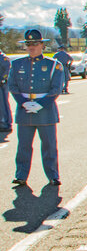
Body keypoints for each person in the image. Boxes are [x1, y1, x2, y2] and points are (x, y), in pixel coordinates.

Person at [9, 30, 64, 187]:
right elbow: (12, 86)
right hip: (24, 110)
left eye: (35, 44)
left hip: (45, 112)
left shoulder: (53, 65)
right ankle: (21, 175)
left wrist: (40, 104)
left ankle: (53, 175)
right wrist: (23, 102)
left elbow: (56, 89)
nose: (31, 47)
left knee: (49, 146)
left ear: (42, 45)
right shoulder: (17, 64)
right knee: (23, 146)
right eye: (28, 44)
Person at [0, 49, 11, 132]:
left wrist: (3, 80)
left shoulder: (3, 58)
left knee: (3, 104)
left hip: (2, 85)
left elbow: (7, 71)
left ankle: (5, 123)